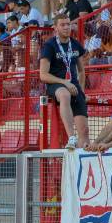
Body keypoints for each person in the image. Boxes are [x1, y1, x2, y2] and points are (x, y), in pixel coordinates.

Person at [39, 14, 89, 150]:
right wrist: (64, 82)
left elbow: (81, 71)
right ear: (55, 27)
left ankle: (81, 162)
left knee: (84, 132)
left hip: (74, 85)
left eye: (68, 24)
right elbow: (43, 75)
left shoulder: (75, 44)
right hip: (56, 84)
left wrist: (82, 91)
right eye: (63, 25)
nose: (67, 27)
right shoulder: (49, 46)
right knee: (65, 94)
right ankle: (71, 137)